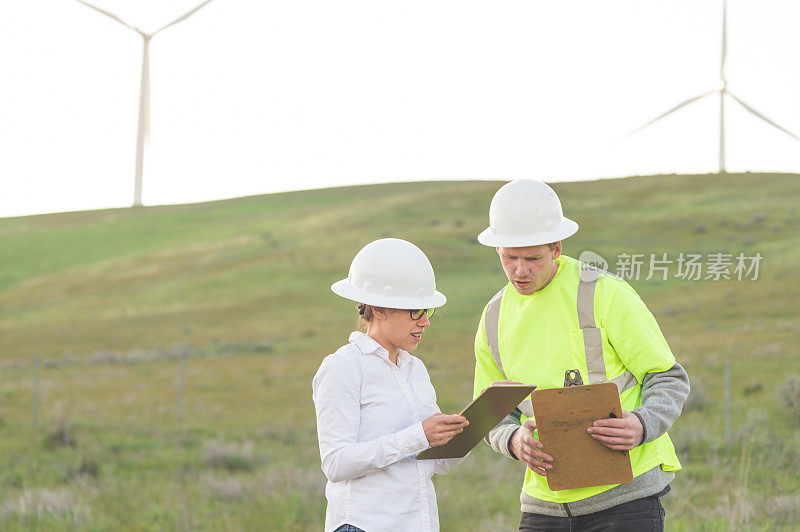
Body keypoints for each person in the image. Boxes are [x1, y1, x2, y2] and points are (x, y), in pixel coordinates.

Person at [472, 179, 690, 531]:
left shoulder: (606, 293)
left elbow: (669, 378)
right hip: (543, 507)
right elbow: (488, 412)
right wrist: (513, 440)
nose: (520, 270)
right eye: (510, 257)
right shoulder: (494, 316)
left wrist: (641, 423)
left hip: (626, 500)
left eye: (532, 258)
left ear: (556, 248)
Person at [313, 238, 469, 532]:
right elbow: (335, 463)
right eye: (416, 311)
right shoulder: (343, 367)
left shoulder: (416, 369)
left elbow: (438, 464)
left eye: (428, 312)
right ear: (379, 308)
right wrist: (418, 435)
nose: (425, 322)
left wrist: (478, 423)